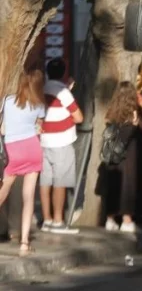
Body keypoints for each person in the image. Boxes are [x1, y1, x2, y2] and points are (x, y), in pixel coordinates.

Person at [98, 81, 142, 233]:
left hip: (112, 155)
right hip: (129, 156)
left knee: (113, 186)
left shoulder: (111, 112)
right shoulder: (135, 113)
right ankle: (127, 220)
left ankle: (110, 219)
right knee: (128, 187)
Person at [0, 70, 46, 256]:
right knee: (28, 198)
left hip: (13, 150)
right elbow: (39, 127)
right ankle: (25, 243)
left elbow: (2, 129)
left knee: (3, 192)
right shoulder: (39, 104)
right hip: (33, 149)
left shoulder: (7, 101)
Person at [40, 58, 81, 234]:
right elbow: (79, 117)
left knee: (45, 181)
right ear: (63, 73)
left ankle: (46, 219)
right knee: (60, 181)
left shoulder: (42, 89)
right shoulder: (63, 92)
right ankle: (58, 221)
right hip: (62, 142)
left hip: (43, 141)